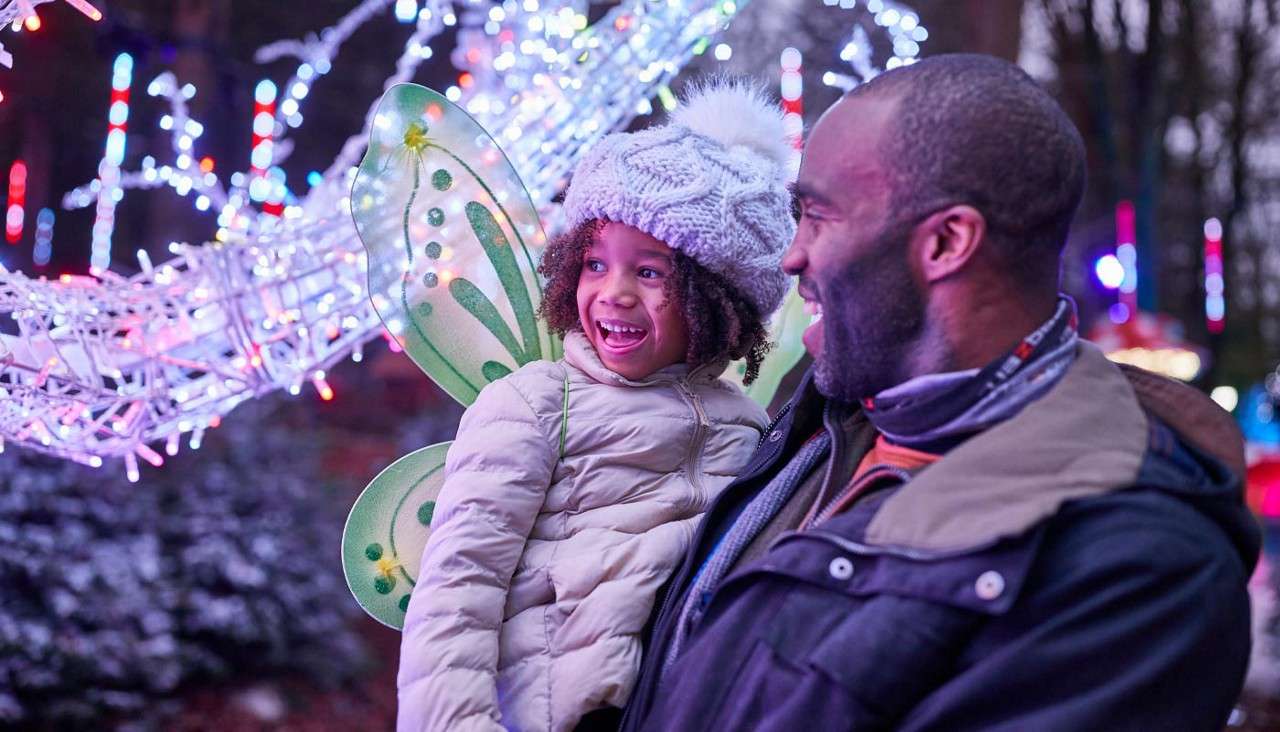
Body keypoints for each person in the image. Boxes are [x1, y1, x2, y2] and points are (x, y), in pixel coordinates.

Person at [620, 54, 1260, 731]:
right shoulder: (826, 397)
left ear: (947, 241)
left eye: (817, 215)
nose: (792, 254)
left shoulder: (1141, 577)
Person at [396, 80, 797, 731]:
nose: (612, 293)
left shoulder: (748, 425)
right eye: (593, 264)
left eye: (649, 272)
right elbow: (457, 596)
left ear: (717, 296)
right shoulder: (536, 405)